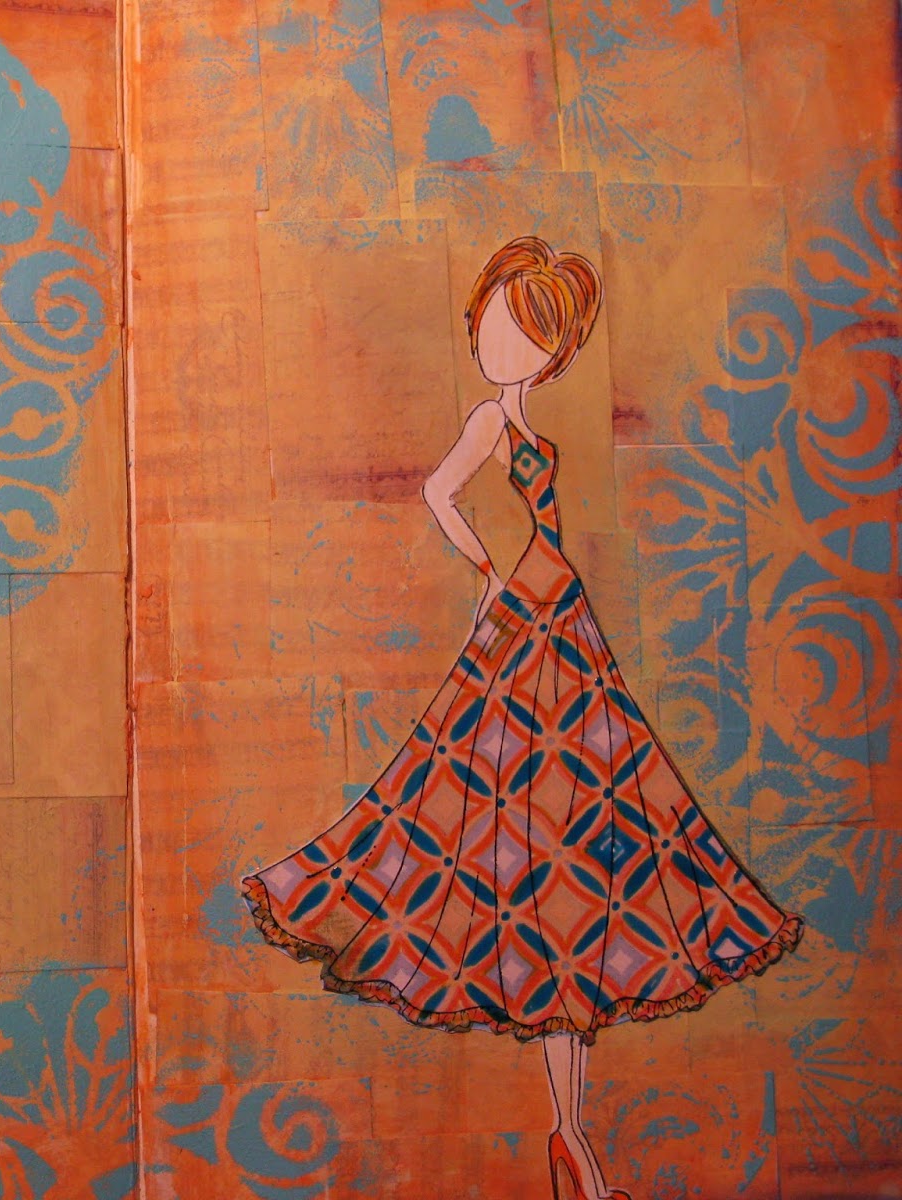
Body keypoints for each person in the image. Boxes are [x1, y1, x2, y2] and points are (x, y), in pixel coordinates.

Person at [242, 236, 803, 1200]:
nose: (505, 344)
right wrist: (487, 571)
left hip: (564, 628)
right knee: (496, 827)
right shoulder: (487, 421)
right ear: (477, 324)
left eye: (528, 335)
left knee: (587, 843)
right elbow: (438, 492)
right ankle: (569, 1140)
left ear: (555, 354)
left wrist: (515, 578)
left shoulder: (532, 424)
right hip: (523, 628)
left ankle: (570, 1137)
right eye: (497, 324)